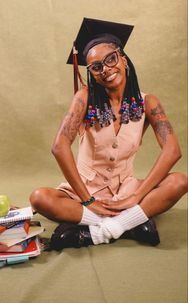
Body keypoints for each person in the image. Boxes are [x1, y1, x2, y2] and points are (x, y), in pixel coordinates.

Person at [30, 18, 188, 250]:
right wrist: (87, 199)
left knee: (180, 181)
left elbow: (172, 150)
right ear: (92, 73)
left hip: (127, 189)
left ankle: (99, 231)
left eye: (111, 59)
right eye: (96, 67)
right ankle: (129, 224)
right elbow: (59, 146)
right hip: (85, 191)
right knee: (39, 198)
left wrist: (136, 196)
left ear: (122, 58)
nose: (106, 69)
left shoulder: (147, 102)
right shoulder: (85, 98)